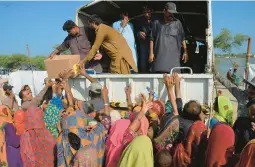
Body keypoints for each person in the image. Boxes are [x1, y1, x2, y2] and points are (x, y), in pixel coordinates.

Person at [149, 2, 188, 73]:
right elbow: (152, 39)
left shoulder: (178, 23)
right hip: (159, 62)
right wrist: (151, 53)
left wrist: (185, 52)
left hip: (174, 63)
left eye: (173, 13)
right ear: (164, 11)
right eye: (170, 12)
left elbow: (183, 38)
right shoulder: (156, 23)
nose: (171, 15)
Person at [137, 6, 153, 73]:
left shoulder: (156, 21)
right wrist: (139, 33)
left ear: (151, 12)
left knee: (153, 66)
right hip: (143, 47)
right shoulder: (139, 21)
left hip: (153, 47)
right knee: (143, 66)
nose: (147, 14)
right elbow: (135, 32)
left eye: (148, 12)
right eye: (145, 13)